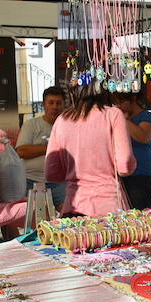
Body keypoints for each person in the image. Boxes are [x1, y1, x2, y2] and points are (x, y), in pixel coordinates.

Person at [44, 86, 136, 216]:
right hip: (108, 210)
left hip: (73, 207)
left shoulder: (62, 120)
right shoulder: (113, 114)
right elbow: (125, 166)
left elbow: (51, 173)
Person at [16, 86, 66, 208]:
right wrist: (52, 147)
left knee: (68, 218)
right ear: (44, 105)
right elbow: (21, 151)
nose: (55, 106)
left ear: (64, 105)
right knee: (35, 220)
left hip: (60, 183)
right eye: (51, 103)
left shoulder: (69, 127)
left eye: (58, 103)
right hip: (31, 181)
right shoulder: (31, 125)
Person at [113, 91, 151, 209]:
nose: (119, 106)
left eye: (122, 102)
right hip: (122, 173)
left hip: (142, 174)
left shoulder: (146, 116)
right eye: (116, 103)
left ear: (133, 99)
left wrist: (124, 120)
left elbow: (143, 136)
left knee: (141, 211)